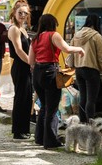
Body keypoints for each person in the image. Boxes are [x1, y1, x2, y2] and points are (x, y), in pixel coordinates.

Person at [30, 13, 85, 149]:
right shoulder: (53, 35)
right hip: (50, 72)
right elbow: (66, 49)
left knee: (43, 105)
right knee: (52, 108)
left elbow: (30, 61)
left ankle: (39, 138)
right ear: (52, 24)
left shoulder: (35, 38)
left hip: (37, 73)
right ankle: (50, 141)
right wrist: (79, 49)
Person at [72, 14, 102, 124]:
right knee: (91, 100)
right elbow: (101, 57)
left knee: (83, 98)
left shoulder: (76, 35)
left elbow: (72, 52)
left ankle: (82, 123)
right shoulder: (96, 36)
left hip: (78, 70)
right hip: (91, 70)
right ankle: (91, 124)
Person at [7, 0, 35, 139]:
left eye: (25, 13)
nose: (23, 15)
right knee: (20, 97)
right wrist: (31, 63)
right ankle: (18, 130)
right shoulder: (14, 29)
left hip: (25, 65)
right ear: (14, 12)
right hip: (19, 65)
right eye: (20, 12)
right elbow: (18, 50)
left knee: (27, 98)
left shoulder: (23, 29)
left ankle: (24, 128)